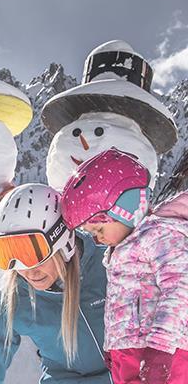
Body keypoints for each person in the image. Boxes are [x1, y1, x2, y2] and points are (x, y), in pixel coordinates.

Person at [60, 148, 188, 384]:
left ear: (127, 209)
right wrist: (114, 344)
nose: (96, 238)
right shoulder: (123, 247)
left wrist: (161, 349)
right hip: (132, 355)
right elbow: (125, 304)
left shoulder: (159, 236)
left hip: (164, 354)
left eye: (99, 229)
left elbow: (180, 291)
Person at [0, 183, 112, 383]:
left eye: (33, 253)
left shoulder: (109, 266)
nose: (27, 270)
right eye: (9, 255)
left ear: (62, 241)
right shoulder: (15, 300)